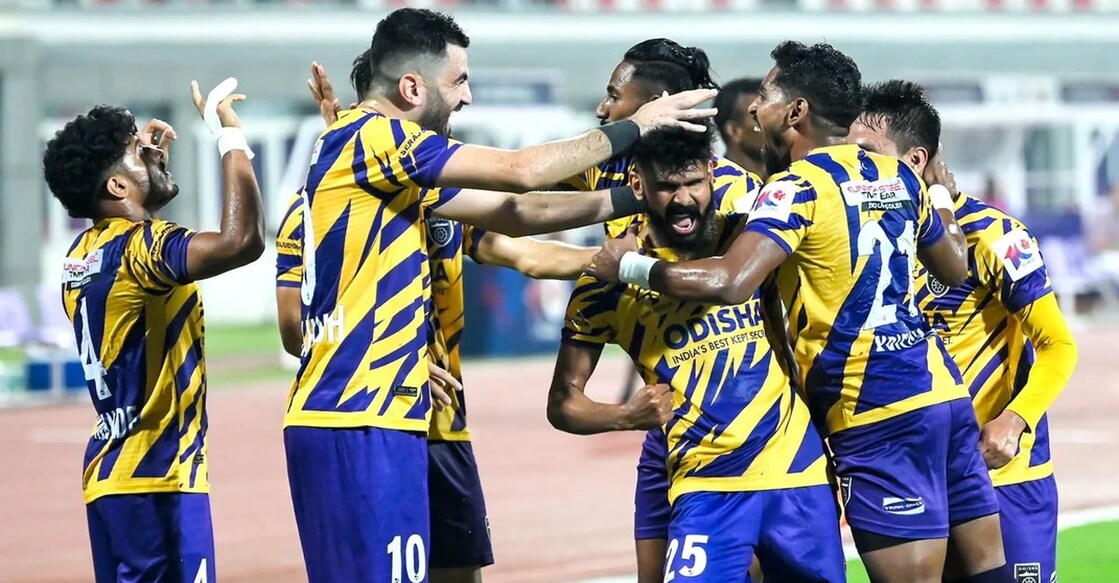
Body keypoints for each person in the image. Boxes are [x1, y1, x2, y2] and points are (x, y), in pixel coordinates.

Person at [283, 9, 715, 583]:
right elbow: (520, 173)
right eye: (459, 81)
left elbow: (518, 215)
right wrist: (637, 125)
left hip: (401, 409)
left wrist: (643, 200)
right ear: (412, 86)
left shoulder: (383, 164)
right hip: (356, 411)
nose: (467, 98)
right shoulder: (376, 137)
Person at [588, 41, 1012, 583]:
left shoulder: (796, 186)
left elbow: (733, 281)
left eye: (765, 95)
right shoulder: (894, 174)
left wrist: (630, 267)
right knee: (985, 571)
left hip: (875, 408)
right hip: (945, 397)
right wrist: (943, 196)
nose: (752, 108)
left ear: (795, 112)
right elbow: (955, 267)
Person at [278, 54, 600, 583]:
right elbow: (297, 330)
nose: (467, 97)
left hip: (442, 426)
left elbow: (526, 248)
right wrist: (391, 348)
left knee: (459, 571)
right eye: (460, 81)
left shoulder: (437, 196)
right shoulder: (310, 212)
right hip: (372, 410)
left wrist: (619, 263)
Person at [549, 125, 844, 582]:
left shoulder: (746, 245)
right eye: (666, 186)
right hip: (705, 487)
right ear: (637, 186)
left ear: (711, 175)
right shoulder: (602, 289)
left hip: (798, 477)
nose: (683, 199)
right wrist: (624, 416)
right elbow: (563, 402)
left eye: (692, 183)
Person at [849, 79, 1079, 583]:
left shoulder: (993, 235)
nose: (854, 167)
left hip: (1004, 475)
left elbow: (1058, 346)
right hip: (915, 470)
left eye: (866, 153)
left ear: (914, 160)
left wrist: (1015, 421)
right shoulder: (862, 241)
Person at [44, 79, 265, 582]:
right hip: (159, 477)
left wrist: (147, 176)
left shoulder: (80, 258)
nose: (149, 148)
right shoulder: (142, 250)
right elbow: (242, 241)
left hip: (110, 478)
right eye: (133, 149)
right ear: (117, 188)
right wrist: (229, 135)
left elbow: (140, 268)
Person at [713, 77, 767, 177]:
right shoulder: (716, 187)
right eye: (760, 119)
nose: (772, 126)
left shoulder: (787, 183)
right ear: (734, 131)